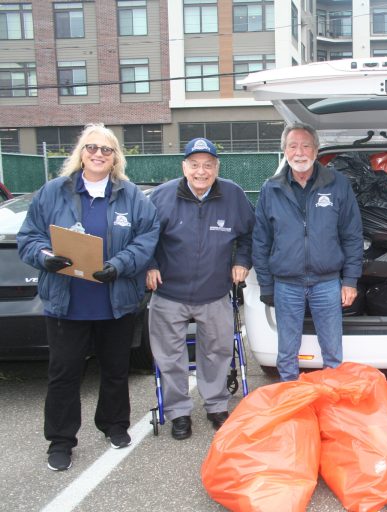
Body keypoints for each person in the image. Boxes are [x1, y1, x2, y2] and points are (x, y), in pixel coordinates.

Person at [17, 123, 159, 471]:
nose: (98, 154)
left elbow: (147, 238)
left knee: (114, 369)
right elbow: (29, 237)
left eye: (106, 150)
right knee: (64, 374)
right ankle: (61, 440)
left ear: (115, 159)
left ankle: (114, 425)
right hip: (67, 304)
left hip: (115, 301)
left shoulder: (131, 196)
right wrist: (45, 257)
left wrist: (118, 265)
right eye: (91, 148)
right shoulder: (53, 192)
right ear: (81, 153)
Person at [146, 137, 255, 440]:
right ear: (184, 167)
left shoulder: (233, 195)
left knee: (218, 352)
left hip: (215, 292)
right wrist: (150, 265)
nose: (201, 171)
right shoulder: (161, 197)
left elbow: (250, 234)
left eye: (208, 165)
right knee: (170, 357)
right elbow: (143, 237)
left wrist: (243, 261)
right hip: (169, 294)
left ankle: (216, 405)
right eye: (194, 165)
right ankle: (179, 412)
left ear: (216, 168)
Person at [252, 123, 363, 382]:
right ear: (284, 151)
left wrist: (349, 280)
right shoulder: (271, 188)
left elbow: (352, 235)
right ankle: (291, 402)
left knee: (333, 354)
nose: (299, 152)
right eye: (293, 146)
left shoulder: (337, 184)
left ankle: (333, 402)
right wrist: (267, 286)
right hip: (286, 284)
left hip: (327, 282)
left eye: (305, 145)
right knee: (287, 354)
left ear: (316, 150)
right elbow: (260, 241)